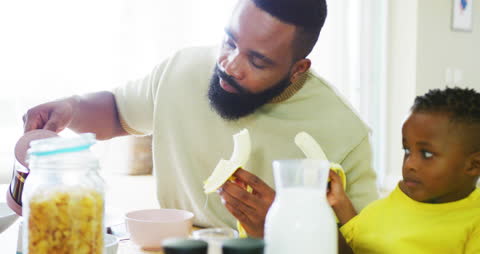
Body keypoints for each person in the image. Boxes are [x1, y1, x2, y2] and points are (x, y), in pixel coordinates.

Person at [22, 0, 378, 238]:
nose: (230, 64)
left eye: (257, 61)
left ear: (298, 70)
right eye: (229, 41)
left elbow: (364, 246)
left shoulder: (344, 133)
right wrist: (71, 108)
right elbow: (117, 112)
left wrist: (282, 226)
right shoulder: (184, 69)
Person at [328, 87, 480, 253]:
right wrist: (339, 201)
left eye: (427, 154)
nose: (409, 164)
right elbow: (361, 238)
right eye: (407, 150)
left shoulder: (474, 222)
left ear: (474, 165)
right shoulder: (404, 194)